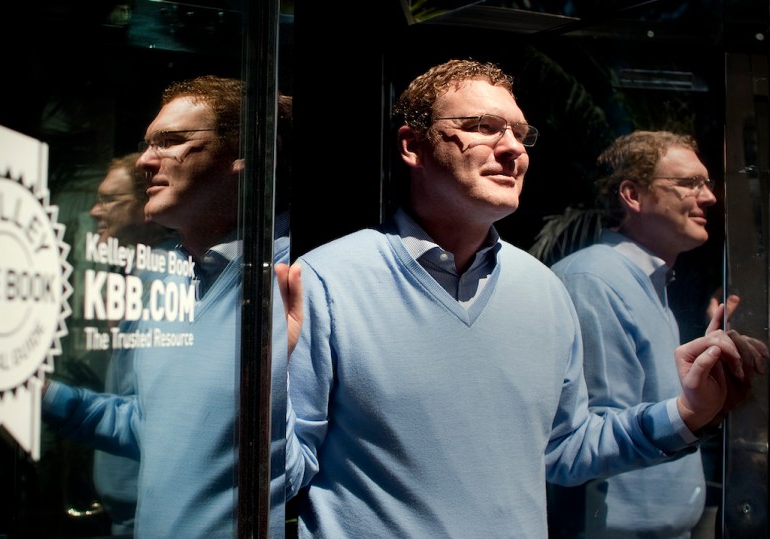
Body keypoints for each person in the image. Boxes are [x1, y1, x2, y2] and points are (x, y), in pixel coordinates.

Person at [282, 59, 753, 537]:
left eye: (520, 133)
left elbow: (566, 449)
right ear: (412, 145)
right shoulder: (326, 280)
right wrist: (259, 376)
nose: (511, 149)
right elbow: (283, 475)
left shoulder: (543, 289)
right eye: (482, 127)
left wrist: (689, 412)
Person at [43, 75, 293, 537]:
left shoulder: (307, 277)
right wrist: (40, 395)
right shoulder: (162, 275)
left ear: (251, 154)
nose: (144, 161)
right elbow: (152, 429)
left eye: (171, 142)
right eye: (147, 144)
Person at [547, 131, 767, 537]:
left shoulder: (648, 282)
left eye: (707, 183)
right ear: (632, 195)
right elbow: (588, 439)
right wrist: (689, 413)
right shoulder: (594, 281)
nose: (709, 198)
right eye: (689, 183)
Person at [87, 152, 178, 535]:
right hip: (127, 503)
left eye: (110, 199)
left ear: (147, 208)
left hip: (148, 507)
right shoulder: (136, 275)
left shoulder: (167, 276)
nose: (95, 210)